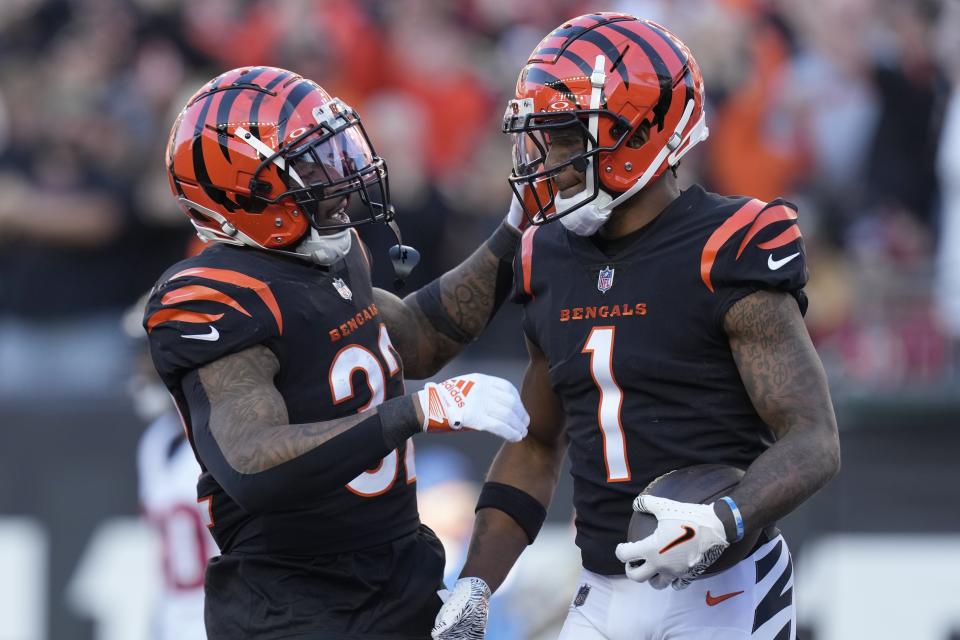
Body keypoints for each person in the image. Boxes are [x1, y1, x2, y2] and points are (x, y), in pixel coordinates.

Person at [432, 13, 840, 640]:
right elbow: (540, 443)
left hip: (724, 589)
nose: (549, 161)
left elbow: (813, 437)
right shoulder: (547, 253)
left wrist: (723, 520)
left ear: (642, 133)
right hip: (599, 592)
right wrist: (477, 580)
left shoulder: (724, 246)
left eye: (567, 138)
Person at [143, 66, 530, 640]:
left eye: (333, 151)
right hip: (297, 606)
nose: (339, 175)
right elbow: (252, 461)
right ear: (249, 191)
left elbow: (418, 337)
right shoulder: (212, 297)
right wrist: (416, 412)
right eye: (309, 163)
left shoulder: (329, 253)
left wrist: (519, 227)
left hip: (397, 578)